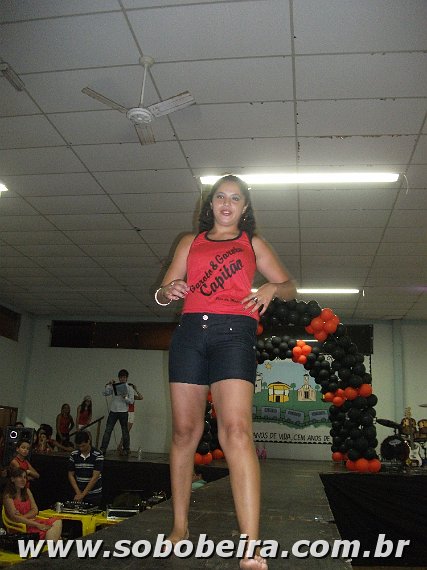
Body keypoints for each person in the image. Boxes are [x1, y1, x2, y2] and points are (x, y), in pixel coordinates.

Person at [155, 174, 296, 569]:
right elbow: (163, 291)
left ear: (245, 207)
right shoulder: (190, 242)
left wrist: (272, 288)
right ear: (211, 203)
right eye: (220, 196)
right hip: (189, 333)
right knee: (184, 433)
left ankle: (251, 544)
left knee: (236, 432)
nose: (227, 203)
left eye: (235, 198)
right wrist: (168, 291)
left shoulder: (252, 243)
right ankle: (179, 528)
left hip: (234, 333)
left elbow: (289, 285)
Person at [3, 466, 62, 541]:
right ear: (12, 479)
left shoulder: (27, 491)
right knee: (55, 534)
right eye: (20, 477)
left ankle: (50, 544)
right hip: (19, 526)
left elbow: (35, 510)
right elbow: (14, 517)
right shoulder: (8, 496)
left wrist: (22, 517)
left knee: (57, 521)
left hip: (30, 521)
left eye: (25, 477)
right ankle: (51, 545)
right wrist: (37, 524)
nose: (23, 480)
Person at [100, 369, 134, 456]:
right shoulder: (114, 386)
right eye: (121, 377)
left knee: (125, 431)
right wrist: (109, 385)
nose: (122, 379)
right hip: (113, 411)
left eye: (124, 377)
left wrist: (125, 397)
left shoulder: (129, 388)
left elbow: (131, 401)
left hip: (123, 412)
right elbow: (104, 393)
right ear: (119, 378)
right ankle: (103, 449)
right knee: (108, 430)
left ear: (126, 378)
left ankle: (126, 449)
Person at [68, 431, 103, 506]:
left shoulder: (98, 454)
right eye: (79, 446)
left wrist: (83, 494)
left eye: (83, 446)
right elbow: (71, 474)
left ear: (88, 441)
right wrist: (78, 492)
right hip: (78, 492)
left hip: (94, 494)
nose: (81, 448)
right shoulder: (74, 454)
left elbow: (95, 477)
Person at [117, 382, 143, 454]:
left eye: (132, 388)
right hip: (127, 413)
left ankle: (124, 447)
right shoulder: (125, 396)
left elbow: (141, 397)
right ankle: (121, 446)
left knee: (127, 431)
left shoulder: (133, 396)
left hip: (132, 413)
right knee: (126, 431)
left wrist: (136, 390)